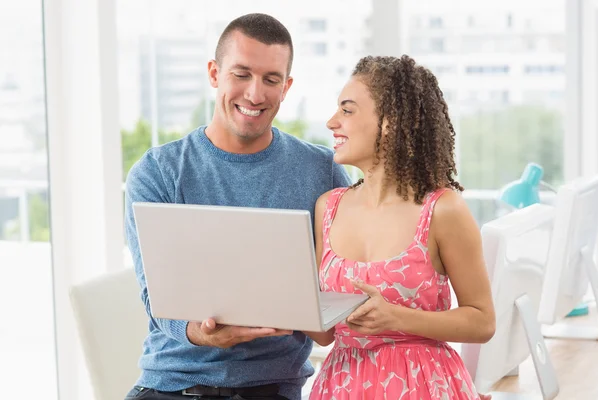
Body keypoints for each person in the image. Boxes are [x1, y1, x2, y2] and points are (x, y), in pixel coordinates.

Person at [123, 13, 351, 400]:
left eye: (271, 79)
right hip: (172, 384)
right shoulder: (157, 171)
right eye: (241, 74)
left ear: (287, 86)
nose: (255, 94)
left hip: (270, 387)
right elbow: (157, 300)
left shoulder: (323, 174)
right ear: (215, 73)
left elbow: (338, 291)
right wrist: (200, 331)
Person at [305, 55, 496, 400]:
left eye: (347, 111)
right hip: (340, 385)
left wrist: (396, 317)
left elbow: (482, 322)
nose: (332, 122)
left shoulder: (441, 209)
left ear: (390, 121)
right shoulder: (327, 208)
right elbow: (323, 335)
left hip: (421, 384)